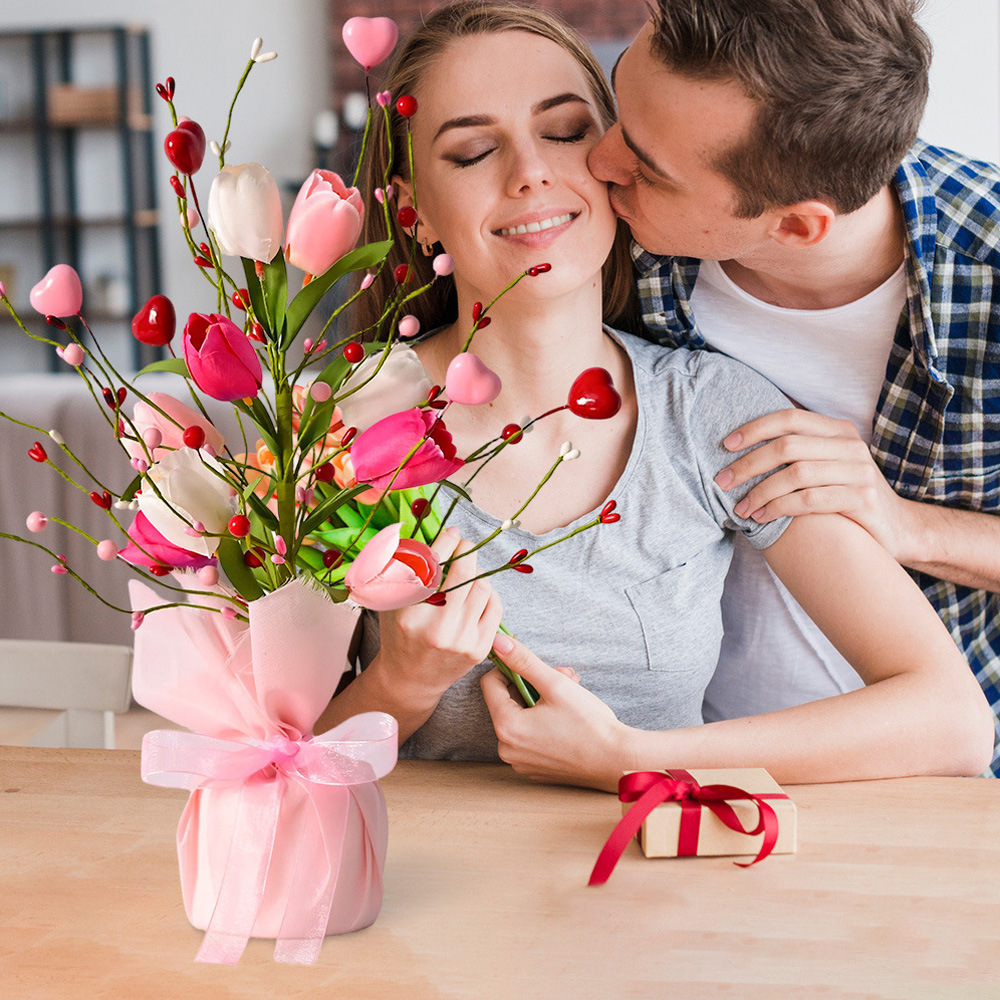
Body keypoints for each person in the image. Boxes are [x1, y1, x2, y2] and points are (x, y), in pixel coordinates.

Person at [316, 0, 993, 791]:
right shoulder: (339, 431)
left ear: (795, 224)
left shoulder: (714, 408)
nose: (552, 169)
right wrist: (400, 684)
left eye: (567, 132)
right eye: (470, 150)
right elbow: (268, 754)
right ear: (412, 209)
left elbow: (950, 718)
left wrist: (626, 759)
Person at [585, 0, 1000, 776]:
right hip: (669, 770)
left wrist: (908, 525)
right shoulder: (612, 252)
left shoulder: (989, 269)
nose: (601, 163)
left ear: (797, 226)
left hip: (935, 783)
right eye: (618, 105)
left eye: (647, 167)